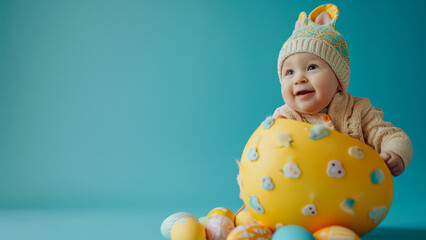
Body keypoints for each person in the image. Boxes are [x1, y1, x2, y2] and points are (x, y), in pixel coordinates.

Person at [272, 4, 413, 177]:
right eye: (290, 72)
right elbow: (269, 153)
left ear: (339, 80)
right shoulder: (284, 119)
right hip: (305, 198)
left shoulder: (358, 110)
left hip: (355, 196)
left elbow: (391, 135)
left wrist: (395, 152)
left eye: (311, 67)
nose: (299, 78)